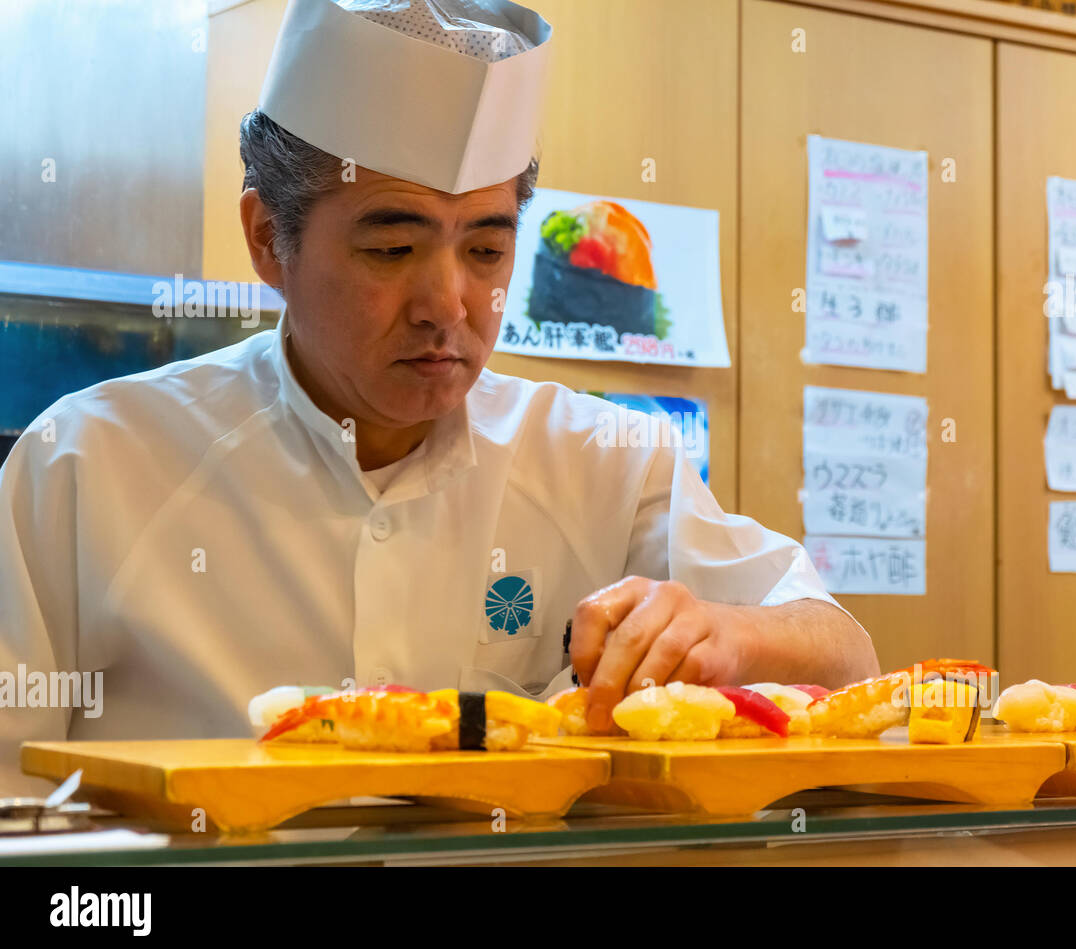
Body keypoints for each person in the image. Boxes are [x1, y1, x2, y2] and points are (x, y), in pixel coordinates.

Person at [0, 0, 875, 795]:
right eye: (391, 250)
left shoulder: (600, 457)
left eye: (487, 253)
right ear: (269, 240)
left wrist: (729, 631)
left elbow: (846, 656)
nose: (448, 306)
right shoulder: (88, 463)